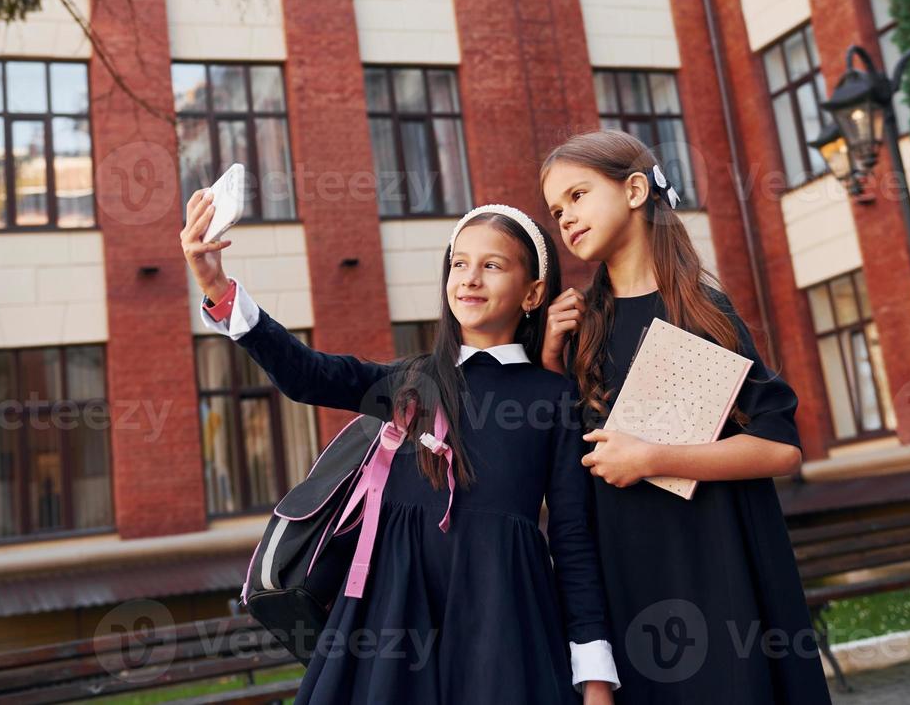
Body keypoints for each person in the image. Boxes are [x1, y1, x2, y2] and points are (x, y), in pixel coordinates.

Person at [180, 189, 620, 704]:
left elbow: (572, 541)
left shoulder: (555, 398)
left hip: (503, 623)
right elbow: (306, 375)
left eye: (492, 265)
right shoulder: (410, 381)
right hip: (390, 616)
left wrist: (594, 679)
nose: (469, 278)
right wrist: (216, 284)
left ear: (532, 293)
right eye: (459, 263)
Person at [539, 129, 831, 704]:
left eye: (577, 196)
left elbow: (780, 447)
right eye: (555, 209)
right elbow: (561, 472)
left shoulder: (702, 312)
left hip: (719, 571)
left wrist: (653, 457)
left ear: (634, 190)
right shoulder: (575, 330)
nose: (565, 219)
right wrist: (550, 363)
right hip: (627, 583)